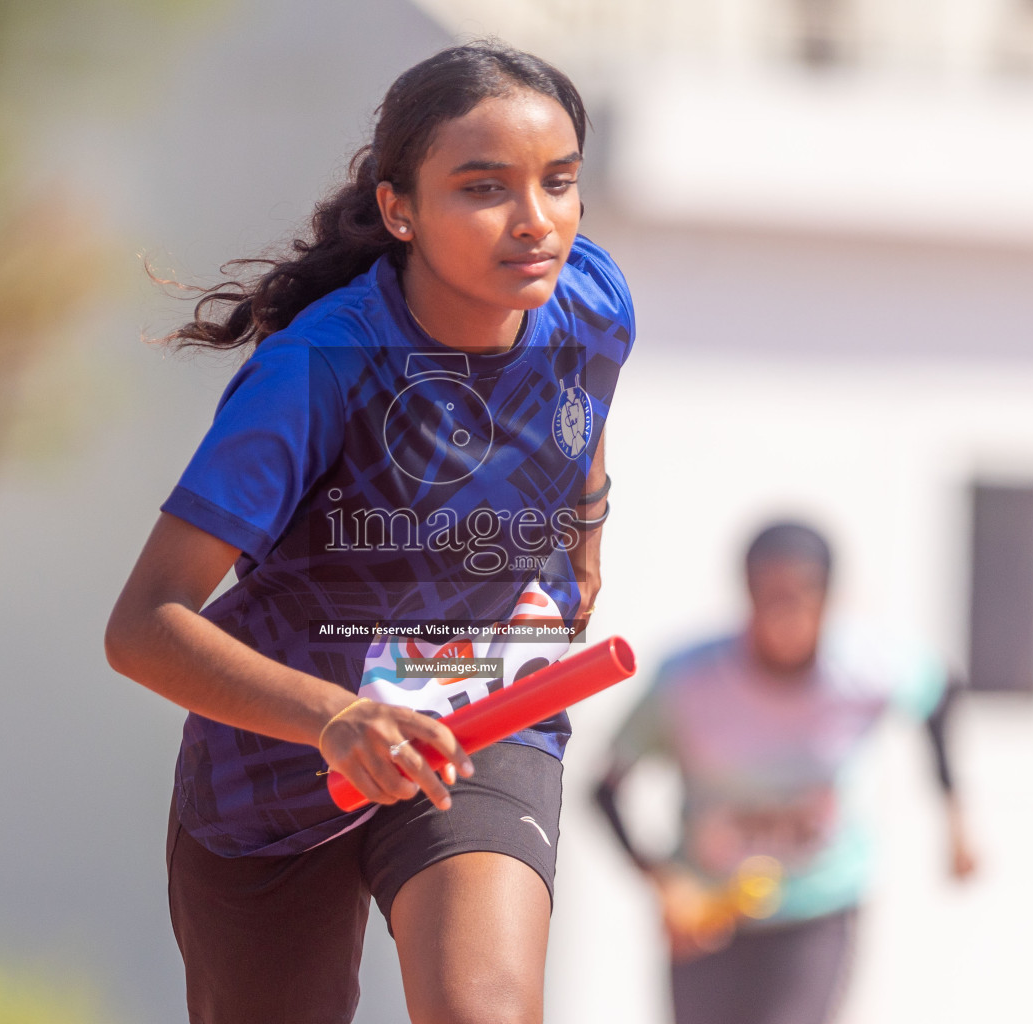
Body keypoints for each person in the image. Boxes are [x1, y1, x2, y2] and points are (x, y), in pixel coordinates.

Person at [104, 42, 635, 1024]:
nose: (536, 222)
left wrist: (588, 525)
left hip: (480, 716)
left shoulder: (590, 300)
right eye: (484, 189)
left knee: (485, 1011)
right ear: (400, 209)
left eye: (559, 183)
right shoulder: (317, 371)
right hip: (273, 769)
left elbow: (580, 400)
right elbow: (142, 625)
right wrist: (336, 721)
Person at [593, 521, 978, 1024]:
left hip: (817, 907)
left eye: (799, 597)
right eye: (766, 596)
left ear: (828, 599)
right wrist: (666, 884)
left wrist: (955, 818)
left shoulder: (865, 666)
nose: (783, 616)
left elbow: (940, 691)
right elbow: (602, 790)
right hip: (710, 913)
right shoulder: (689, 680)